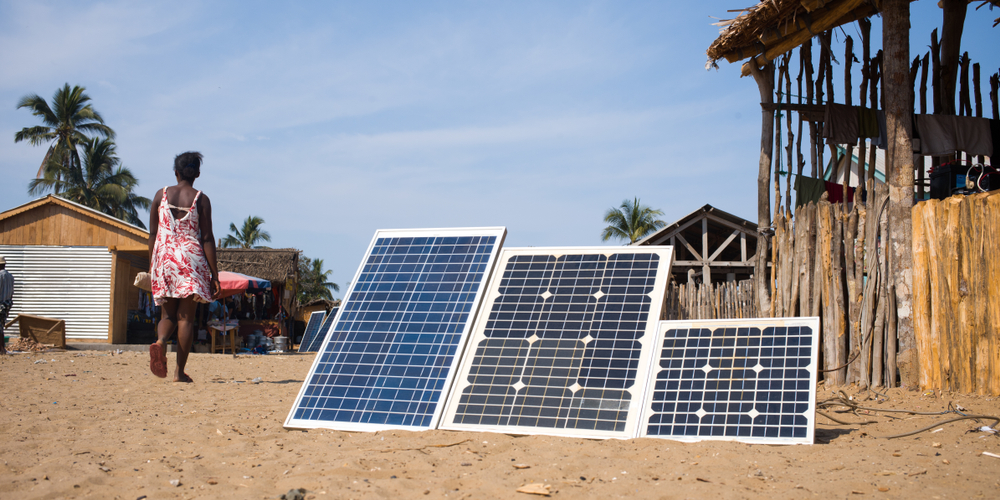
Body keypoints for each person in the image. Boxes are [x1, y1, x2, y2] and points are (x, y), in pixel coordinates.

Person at [148, 152, 220, 382]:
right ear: (197, 174)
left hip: (164, 258)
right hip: (191, 258)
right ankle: (179, 372)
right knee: (186, 319)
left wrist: (154, 265)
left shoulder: (161, 195)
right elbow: (207, 238)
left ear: (176, 172)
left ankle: (160, 342)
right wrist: (214, 275)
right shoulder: (201, 199)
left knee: (167, 313)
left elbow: (153, 233)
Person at [0, 256, 13, 355]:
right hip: (7, 304)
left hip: (0, 304)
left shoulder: (0, 276)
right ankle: (2, 349)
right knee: (1, 325)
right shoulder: (10, 276)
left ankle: (1, 349)